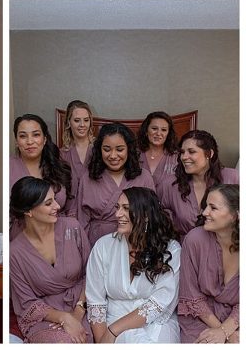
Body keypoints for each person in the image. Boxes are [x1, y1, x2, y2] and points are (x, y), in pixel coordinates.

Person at [86, 187, 181, 343]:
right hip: (112, 322)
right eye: (117, 208)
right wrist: (104, 339)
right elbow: (96, 302)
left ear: (146, 216)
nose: (117, 214)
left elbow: (160, 303)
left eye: (126, 209)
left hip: (155, 324)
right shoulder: (103, 246)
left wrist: (113, 331)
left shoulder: (171, 250)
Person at [9, 176, 92, 343]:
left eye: (54, 199)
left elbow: (91, 274)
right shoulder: (15, 253)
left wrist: (77, 313)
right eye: (49, 203)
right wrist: (63, 318)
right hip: (45, 316)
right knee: (62, 342)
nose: (57, 206)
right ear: (28, 211)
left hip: (84, 304)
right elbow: (26, 302)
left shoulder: (72, 228)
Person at [75, 122, 155, 246]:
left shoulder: (144, 177)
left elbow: (151, 216)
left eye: (120, 149)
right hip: (96, 243)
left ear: (129, 149)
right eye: (107, 149)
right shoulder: (88, 178)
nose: (113, 155)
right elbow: (81, 221)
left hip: (135, 244)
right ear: (99, 150)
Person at [178, 184, 239, 343]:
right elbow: (191, 296)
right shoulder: (194, 240)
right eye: (205, 206)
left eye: (213, 208)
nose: (204, 212)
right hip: (200, 318)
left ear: (236, 215)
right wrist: (223, 332)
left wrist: (227, 330)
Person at [156, 130, 239, 239]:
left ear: (209, 154)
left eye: (191, 151)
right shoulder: (169, 185)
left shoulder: (232, 177)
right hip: (185, 250)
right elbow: (157, 221)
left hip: (227, 249)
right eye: (182, 152)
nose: (184, 157)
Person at [10, 114, 73, 240]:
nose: (30, 141)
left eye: (36, 135)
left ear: (44, 139)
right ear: (16, 141)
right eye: (23, 136)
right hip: (22, 238)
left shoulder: (59, 167)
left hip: (59, 235)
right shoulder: (7, 167)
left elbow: (72, 208)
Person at [60, 100, 95, 190]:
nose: (82, 125)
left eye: (86, 120)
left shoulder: (100, 150)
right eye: (77, 120)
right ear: (69, 122)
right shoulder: (61, 154)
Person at [137, 111, 178, 186]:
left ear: (168, 134)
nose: (159, 133)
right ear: (146, 131)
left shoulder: (177, 156)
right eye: (154, 128)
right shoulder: (134, 154)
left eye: (164, 130)